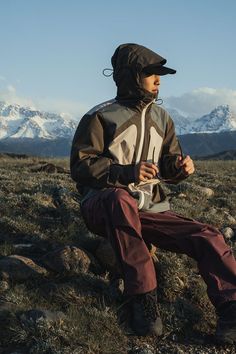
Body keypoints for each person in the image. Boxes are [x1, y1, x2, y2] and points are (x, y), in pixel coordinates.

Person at [70, 43, 236, 343]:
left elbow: (168, 164)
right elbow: (81, 166)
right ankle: (144, 299)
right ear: (131, 76)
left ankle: (232, 308)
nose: (158, 80)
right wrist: (125, 173)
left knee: (208, 235)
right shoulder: (100, 117)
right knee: (119, 200)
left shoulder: (163, 119)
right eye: (151, 74)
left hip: (149, 209)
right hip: (102, 205)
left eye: (160, 75)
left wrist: (179, 169)